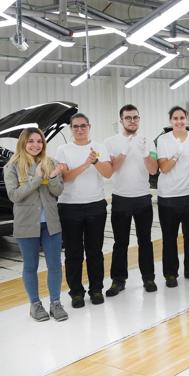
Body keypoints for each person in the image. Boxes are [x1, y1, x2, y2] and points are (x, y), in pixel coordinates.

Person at [4, 128, 68, 321]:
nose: (35, 145)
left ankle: (55, 303)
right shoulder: (12, 166)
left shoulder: (50, 162)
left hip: (50, 223)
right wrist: (39, 178)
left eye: (39, 141)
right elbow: (14, 195)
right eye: (31, 141)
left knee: (55, 265)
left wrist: (55, 175)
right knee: (30, 266)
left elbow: (57, 191)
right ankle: (35, 304)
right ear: (23, 143)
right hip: (26, 225)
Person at [56, 113, 113, 308]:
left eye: (83, 126)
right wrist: (86, 163)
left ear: (89, 126)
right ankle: (76, 293)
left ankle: (96, 289)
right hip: (69, 207)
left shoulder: (100, 148)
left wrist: (96, 162)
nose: (79, 129)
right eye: (75, 126)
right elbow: (65, 178)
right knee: (73, 253)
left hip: (95, 205)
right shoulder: (63, 150)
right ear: (71, 129)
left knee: (95, 251)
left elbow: (108, 173)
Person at [104, 104, 159, 296]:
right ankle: (118, 280)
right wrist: (125, 149)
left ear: (139, 119)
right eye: (128, 118)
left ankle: (148, 278)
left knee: (145, 241)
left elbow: (153, 170)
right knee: (120, 243)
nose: (132, 121)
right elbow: (111, 170)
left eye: (135, 117)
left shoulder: (148, 141)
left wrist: (145, 153)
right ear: (121, 121)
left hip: (143, 197)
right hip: (121, 198)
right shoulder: (110, 142)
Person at [156, 106, 189, 287]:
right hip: (168, 196)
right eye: (175, 118)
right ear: (170, 121)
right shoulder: (163, 140)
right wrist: (177, 154)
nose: (179, 121)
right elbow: (164, 167)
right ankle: (170, 274)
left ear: (186, 119)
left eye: (182, 118)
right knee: (169, 237)